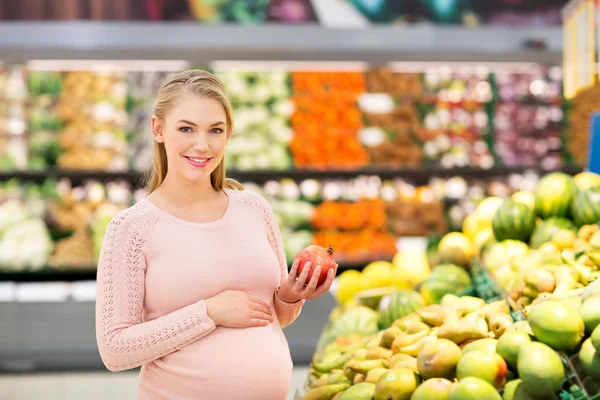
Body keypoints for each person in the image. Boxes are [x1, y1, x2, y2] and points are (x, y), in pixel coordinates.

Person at [95, 69, 335, 399]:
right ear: (158, 129)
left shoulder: (254, 209)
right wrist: (208, 313)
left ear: (228, 134)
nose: (202, 144)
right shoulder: (132, 229)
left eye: (215, 130)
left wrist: (292, 295)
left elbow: (273, 315)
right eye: (186, 128)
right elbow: (115, 349)